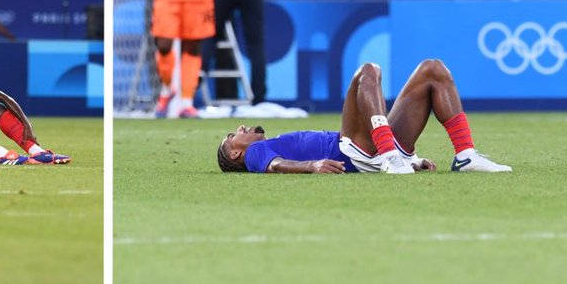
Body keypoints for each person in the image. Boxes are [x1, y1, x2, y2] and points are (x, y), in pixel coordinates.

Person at [217, 58, 511, 175]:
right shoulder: (255, 153)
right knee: (367, 72)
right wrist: (312, 165)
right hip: (354, 148)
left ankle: (465, 156)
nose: (240, 128)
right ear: (234, 153)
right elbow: (276, 165)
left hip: (367, 147)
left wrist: (410, 160)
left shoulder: (270, 143)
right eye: (233, 134)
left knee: (432, 70)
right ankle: (389, 156)